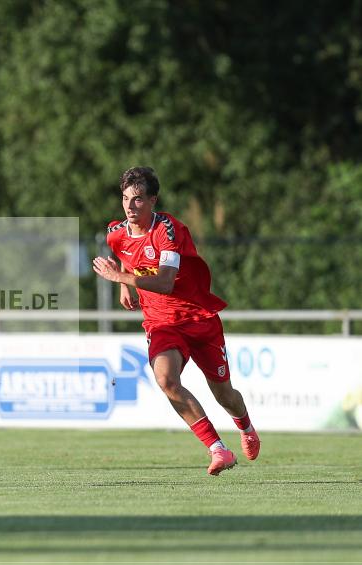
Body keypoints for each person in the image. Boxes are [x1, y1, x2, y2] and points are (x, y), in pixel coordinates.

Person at [92, 166, 260, 476]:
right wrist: (123, 285)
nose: (130, 206)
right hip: (161, 322)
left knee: (224, 394)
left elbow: (166, 282)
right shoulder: (115, 233)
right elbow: (121, 255)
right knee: (166, 380)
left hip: (199, 317)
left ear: (153, 200)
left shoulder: (168, 231)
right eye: (126, 198)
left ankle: (246, 426)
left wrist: (119, 277)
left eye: (139, 199)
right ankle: (218, 449)